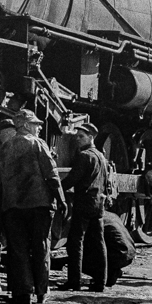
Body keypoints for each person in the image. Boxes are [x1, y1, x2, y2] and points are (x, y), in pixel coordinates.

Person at [0, 108, 67, 304]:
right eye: (36, 125)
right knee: (40, 247)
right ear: (26, 125)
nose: (39, 128)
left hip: (12, 206)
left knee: (17, 249)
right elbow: (51, 174)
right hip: (39, 205)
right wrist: (61, 199)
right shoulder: (38, 144)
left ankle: (22, 293)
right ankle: (42, 291)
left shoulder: (4, 148)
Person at [58, 123, 110, 292]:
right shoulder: (101, 156)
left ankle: (74, 281)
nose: (78, 140)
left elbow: (72, 179)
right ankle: (100, 282)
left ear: (91, 137)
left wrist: (55, 189)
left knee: (75, 242)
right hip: (98, 204)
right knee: (98, 243)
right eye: (77, 137)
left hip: (84, 203)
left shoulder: (84, 156)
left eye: (81, 137)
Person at [84, 209, 136, 287]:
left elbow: (95, 245)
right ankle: (113, 272)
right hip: (130, 254)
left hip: (118, 255)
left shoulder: (96, 219)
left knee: (82, 262)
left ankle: (103, 276)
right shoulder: (113, 215)